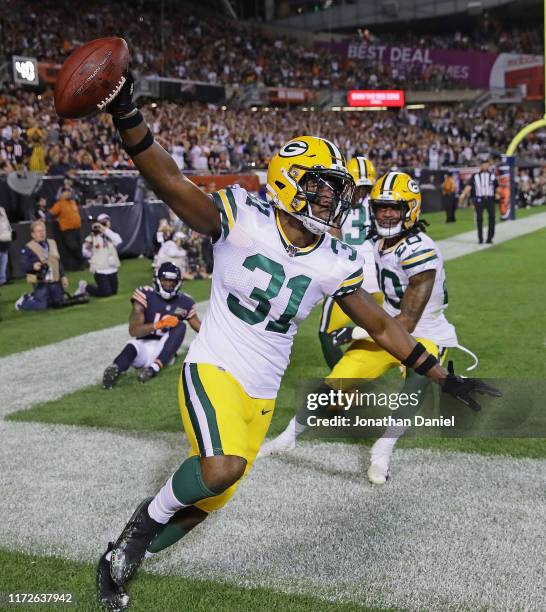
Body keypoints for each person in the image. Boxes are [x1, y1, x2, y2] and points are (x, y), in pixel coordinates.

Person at [93, 75, 499, 611]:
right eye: (324, 186)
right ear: (291, 182)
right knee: (221, 468)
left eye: (337, 189)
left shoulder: (335, 259)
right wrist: (126, 113)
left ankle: (123, 556)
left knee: (210, 499)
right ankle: (135, 536)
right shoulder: (242, 215)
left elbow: (381, 326)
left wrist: (441, 375)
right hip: (214, 365)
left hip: (260, 392)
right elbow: (170, 183)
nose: (334, 199)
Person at [260, 172, 477, 484]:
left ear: (411, 209)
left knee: (416, 382)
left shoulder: (419, 249)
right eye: (380, 207)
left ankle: (383, 450)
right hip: (388, 325)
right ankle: (288, 436)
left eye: (395, 207)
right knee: (336, 382)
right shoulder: (382, 243)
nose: (386, 213)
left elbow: (408, 323)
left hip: (424, 332)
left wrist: (354, 332)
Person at [318, 156, 383, 369]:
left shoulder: (338, 203)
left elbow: (335, 240)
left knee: (326, 333)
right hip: (381, 278)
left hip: (352, 279)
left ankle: (345, 386)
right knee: (389, 330)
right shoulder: (381, 204)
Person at [102, 262, 201, 388]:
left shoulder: (185, 302)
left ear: (178, 283)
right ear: (157, 280)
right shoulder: (145, 295)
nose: (168, 284)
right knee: (132, 345)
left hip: (164, 349)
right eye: (165, 280)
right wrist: (160, 324)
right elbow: (134, 331)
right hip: (143, 346)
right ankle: (115, 369)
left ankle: (153, 369)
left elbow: (199, 327)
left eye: (172, 282)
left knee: (180, 326)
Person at [15, 220, 68, 310]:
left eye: (43, 230)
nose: (42, 233)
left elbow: (58, 261)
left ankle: (37, 296)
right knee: (41, 306)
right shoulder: (28, 247)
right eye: (39, 231)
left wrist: (63, 276)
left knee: (59, 303)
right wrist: (33, 266)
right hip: (41, 282)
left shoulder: (52, 243)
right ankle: (23, 302)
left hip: (54, 280)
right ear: (33, 234)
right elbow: (23, 265)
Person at [76, 213, 122, 298]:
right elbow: (84, 251)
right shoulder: (93, 236)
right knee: (106, 293)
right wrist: (93, 255)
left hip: (112, 268)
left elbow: (118, 240)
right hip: (100, 269)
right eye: (102, 223)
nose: (105, 224)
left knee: (113, 292)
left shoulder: (111, 234)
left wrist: (105, 230)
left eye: (106, 222)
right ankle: (85, 287)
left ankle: (90, 289)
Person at [462, 157, 498, 244]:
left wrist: (498, 194)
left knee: (492, 218)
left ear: (488, 165)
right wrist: (463, 194)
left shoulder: (492, 175)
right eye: (483, 164)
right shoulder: (475, 176)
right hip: (479, 199)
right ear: (481, 165)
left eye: (487, 164)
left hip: (490, 198)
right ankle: (480, 238)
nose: (485, 165)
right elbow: (469, 186)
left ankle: (489, 238)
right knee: (479, 219)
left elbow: (497, 186)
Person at [49, 189, 85, 269]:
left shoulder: (73, 202)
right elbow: (51, 213)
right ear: (62, 194)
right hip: (67, 230)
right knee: (72, 247)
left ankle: (80, 264)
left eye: (69, 192)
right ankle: (75, 264)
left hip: (77, 229)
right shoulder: (59, 204)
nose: (68, 194)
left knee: (79, 247)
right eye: (66, 193)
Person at [0, 205, 13, 285]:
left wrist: (10, 231)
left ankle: (2, 280)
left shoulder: (1, 209)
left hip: (5, 238)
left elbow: (6, 221)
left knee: (4, 260)